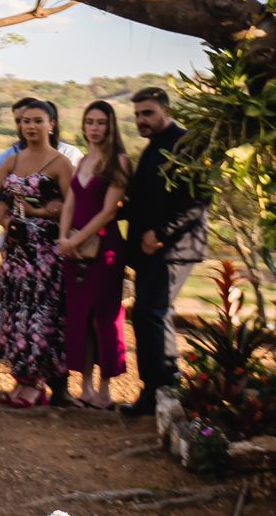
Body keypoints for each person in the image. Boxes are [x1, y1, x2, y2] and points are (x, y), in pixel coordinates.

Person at [121, 87, 208, 417]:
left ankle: (163, 390)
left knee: (152, 312)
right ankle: (155, 391)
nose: (141, 120)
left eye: (148, 113)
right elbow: (140, 201)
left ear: (165, 111)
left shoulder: (186, 145)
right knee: (147, 314)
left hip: (174, 248)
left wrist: (161, 234)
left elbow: (198, 202)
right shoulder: (151, 149)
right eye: (138, 115)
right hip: (150, 251)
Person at [0, 99, 81, 405]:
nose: (30, 126)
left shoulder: (60, 162)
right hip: (16, 250)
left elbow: (72, 205)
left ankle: (36, 384)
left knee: (39, 315)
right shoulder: (12, 160)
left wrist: (41, 213)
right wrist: (5, 221)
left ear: (51, 124)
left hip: (44, 252)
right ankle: (20, 380)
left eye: (37, 120)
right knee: (16, 312)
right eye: (25, 121)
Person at [57, 101, 132, 409]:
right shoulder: (83, 160)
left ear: (110, 126)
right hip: (74, 249)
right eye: (90, 122)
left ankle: (104, 390)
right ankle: (85, 387)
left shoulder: (119, 162)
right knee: (81, 319)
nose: (95, 127)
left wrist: (78, 240)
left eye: (101, 122)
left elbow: (108, 212)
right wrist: (64, 238)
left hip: (105, 250)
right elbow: (70, 203)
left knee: (105, 319)